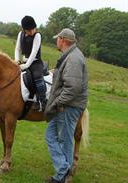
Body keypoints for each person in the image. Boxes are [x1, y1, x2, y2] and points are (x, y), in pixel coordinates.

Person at [44, 28, 88, 183]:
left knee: (65, 141)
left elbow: (73, 88)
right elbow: (67, 80)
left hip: (68, 107)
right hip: (64, 106)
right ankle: (63, 171)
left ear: (62, 39)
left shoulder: (73, 58)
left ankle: (62, 174)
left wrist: (57, 103)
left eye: (57, 38)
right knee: (51, 135)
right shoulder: (70, 56)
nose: (56, 40)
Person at [15, 15, 46, 111]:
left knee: (37, 77)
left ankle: (43, 101)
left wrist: (27, 65)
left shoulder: (37, 35)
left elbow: (34, 52)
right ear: (24, 29)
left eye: (33, 29)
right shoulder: (20, 34)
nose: (32, 31)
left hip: (36, 63)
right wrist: (16, 60)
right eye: (29, 30)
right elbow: (18, 49)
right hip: (23, 62)